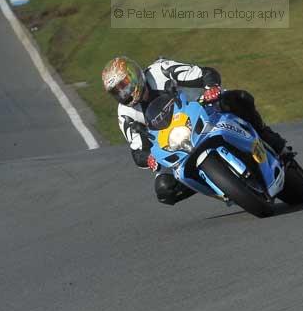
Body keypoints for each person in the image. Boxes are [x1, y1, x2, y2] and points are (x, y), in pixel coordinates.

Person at [101, 56, 292, 206]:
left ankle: (270, 138)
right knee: (165, 190)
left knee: (238, 98)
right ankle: (221, 186)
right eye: (116, 91)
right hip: (175, 145)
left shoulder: (160, 70)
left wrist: (211, 88)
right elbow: (136, 150)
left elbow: (203, 73)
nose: (123, 93)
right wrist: (148, 158)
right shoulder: (125, 114)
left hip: (202, 111)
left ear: (133, 75)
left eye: (123, 85)